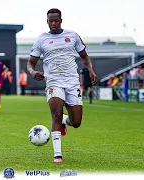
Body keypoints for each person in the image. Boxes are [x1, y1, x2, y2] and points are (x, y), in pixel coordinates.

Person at [27, 8, 97, 163]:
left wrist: (90, 70)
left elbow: (85, 57)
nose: (53, 23)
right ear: (47, 21)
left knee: (76, 122)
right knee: (56, 115)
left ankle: (66, 122)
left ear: (61, 20)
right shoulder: (41, 39)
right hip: (53, 81)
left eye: (56, 20)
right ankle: (57, 154)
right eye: (50, 21)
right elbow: (30, 63)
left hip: (72, 82)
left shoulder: (72, 36)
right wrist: (32, 72)